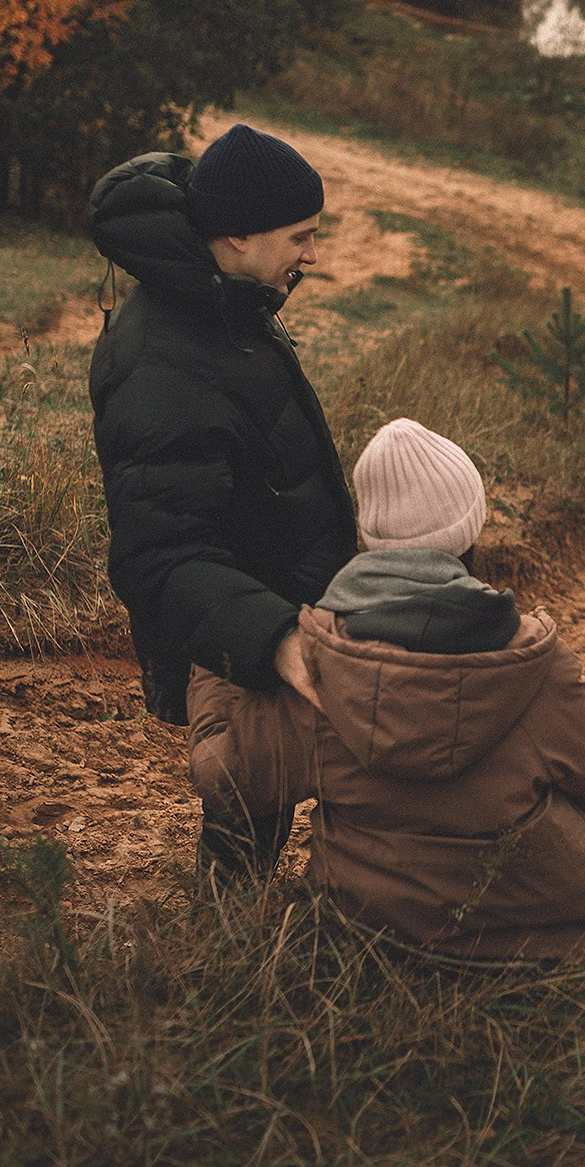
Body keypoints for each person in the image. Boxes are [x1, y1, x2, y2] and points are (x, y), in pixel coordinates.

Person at [186, 419, 585, 980]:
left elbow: (225, 778)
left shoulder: (320, 665)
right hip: (546, 946)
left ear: (369, 539)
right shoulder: (537, 661)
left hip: (375, 947)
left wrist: (218, 661)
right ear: (471, 532)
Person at [88, 124, 357, 878]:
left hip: (272, 609)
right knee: (243, 819)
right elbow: (159, 556)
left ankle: (240, 926)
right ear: (238, 234)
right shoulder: (164, 365)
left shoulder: (219, 302)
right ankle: (222, 937)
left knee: (257, 809)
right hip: (238, 643)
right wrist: (273, 637)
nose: (312, 255)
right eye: (300, 236)